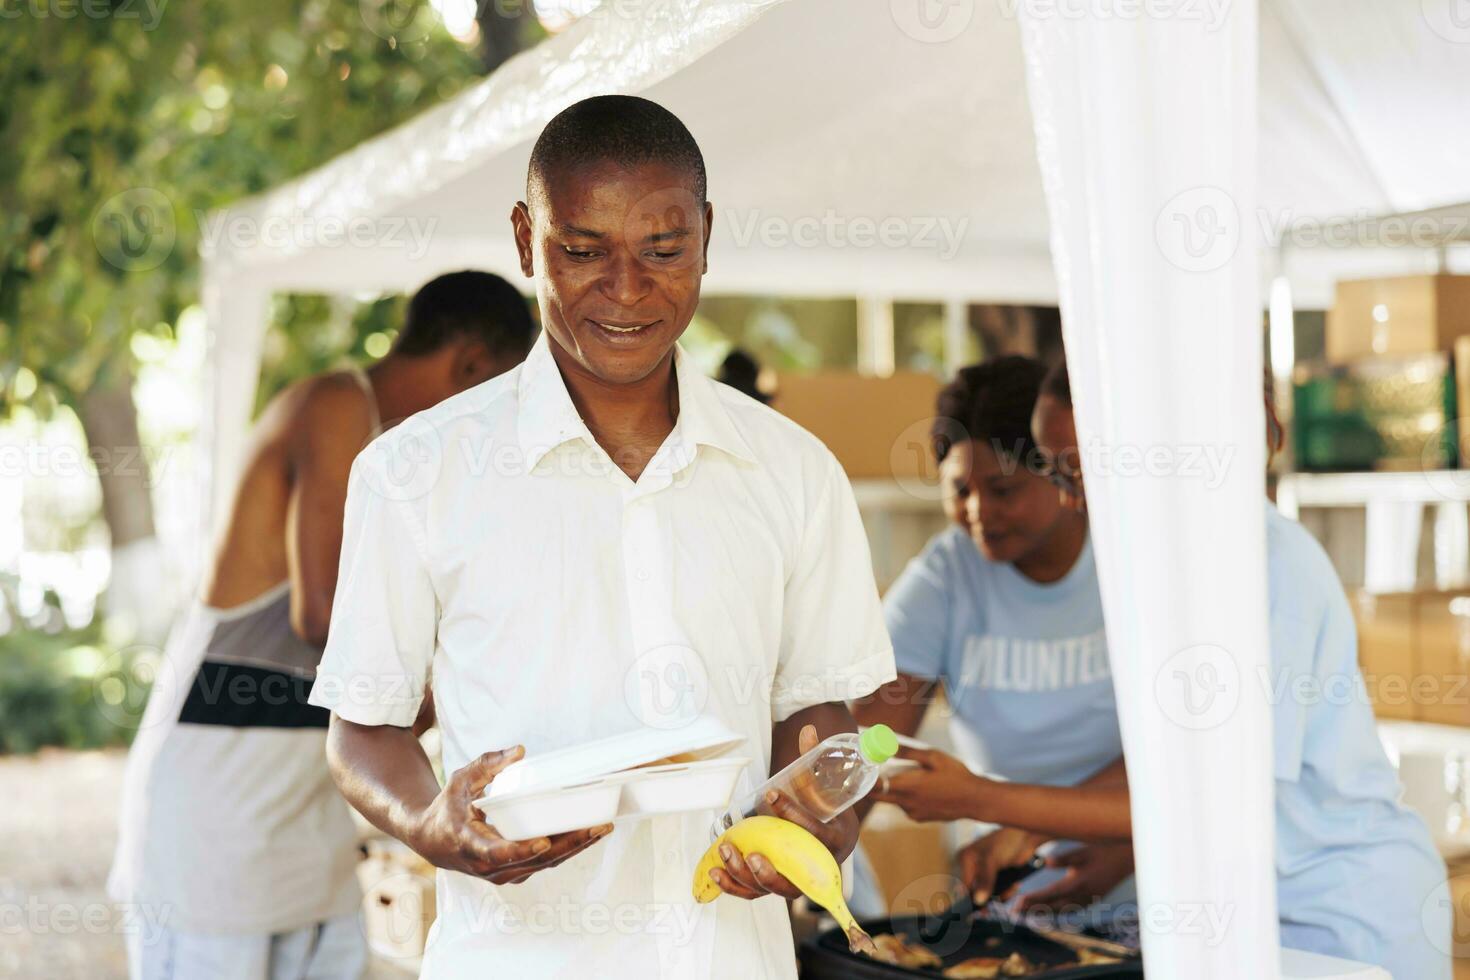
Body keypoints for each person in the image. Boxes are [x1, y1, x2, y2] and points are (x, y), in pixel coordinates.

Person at [308, 95, 895, 979]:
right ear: (523, 239)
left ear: (705, 235)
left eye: (664, 250)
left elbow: (822, 716)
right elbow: (363, 732)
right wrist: (430, 824)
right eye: (583, 251)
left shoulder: (793, 469)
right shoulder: (412, 472)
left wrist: (821, 817)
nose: (627, 290)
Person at [876, 358, 1451, 979]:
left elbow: (1205, 794)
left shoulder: (1265, 566)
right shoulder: (1173, 568)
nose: (1072, 496)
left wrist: (987, 800)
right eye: (1058, 470)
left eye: (1076, 468)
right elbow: (1170, 753)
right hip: (1235, 919)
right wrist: (1032, 832)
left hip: (1336, 922)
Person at [109, 271, 536, 980]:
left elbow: (385, 703)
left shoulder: (413, 468)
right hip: (217, 819)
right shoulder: (341, 404)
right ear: (468, 363)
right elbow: (323, 620)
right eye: (501, 389)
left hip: (309, 832)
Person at [851, 357, 1135, 923]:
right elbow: (874, 731)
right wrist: (852, 777)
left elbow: (1179, 756)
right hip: (1010, 902)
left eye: (1003, 490)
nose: (979, 512)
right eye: (960, 490)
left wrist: (1107, 846)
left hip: (1149, 892)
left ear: (1062, 475)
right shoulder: (946, 578)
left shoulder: (1130, 562)